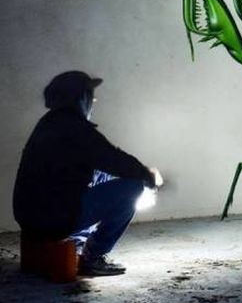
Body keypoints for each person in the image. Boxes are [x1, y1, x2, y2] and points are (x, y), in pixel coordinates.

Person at [13, 71, 162, 276]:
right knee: (132, 187)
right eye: (91, 97)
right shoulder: (73, 127)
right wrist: (146, 176)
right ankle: (93, 257)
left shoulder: (50, 123)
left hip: (31, 219)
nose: (93, 103)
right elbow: (112, 157)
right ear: (82, 97)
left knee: (103, 174)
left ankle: (79, 240)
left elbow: (104, 161)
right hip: (53, 221)